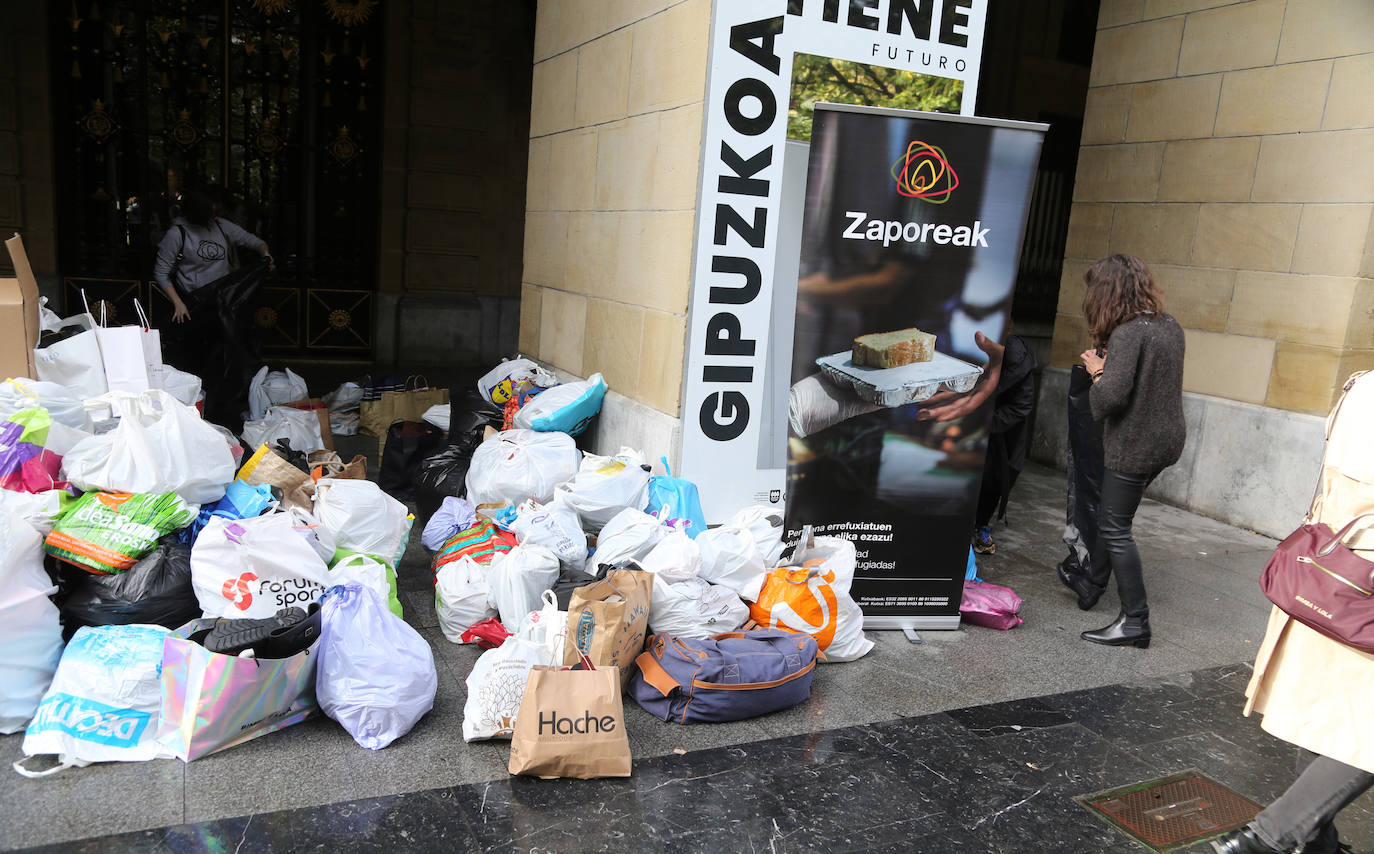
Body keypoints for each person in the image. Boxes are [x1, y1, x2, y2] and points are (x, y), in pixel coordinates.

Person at [1212, 370, 1374, 854]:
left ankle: (1316, 841)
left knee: (1326, 711)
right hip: (1363, 587)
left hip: (1330, 573)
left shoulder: (1361, 384)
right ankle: (1268, 838)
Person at [1057, 253, 1185, 648]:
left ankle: (1135, 620)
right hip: (1167, 439)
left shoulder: (1129, 333)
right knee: (1118, 517)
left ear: (1106, 293)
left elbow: (1112, 397)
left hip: (1135, 443)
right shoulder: (1169, 325)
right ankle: (1091, 583)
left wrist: (1098, 369)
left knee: (1115, 529)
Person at [152, 188, 273, 323]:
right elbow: (161, 273)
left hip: (222, 301)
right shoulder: (177, 234)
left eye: (216, 213)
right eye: (211, 214)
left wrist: (265, 253)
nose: (215, 217)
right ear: (197, 215)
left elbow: (254, 241)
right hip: (193, 302)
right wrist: (178, 302)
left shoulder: (221, 225)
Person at [971, 333, 1035, 555]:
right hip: (972, 423)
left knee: (994, 480)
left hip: (1002, 433)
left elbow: (1022, 405)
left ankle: (981, 526)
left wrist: (982, 422)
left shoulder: (1016, 359)